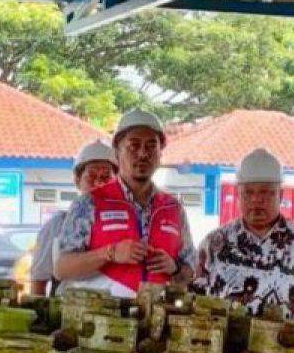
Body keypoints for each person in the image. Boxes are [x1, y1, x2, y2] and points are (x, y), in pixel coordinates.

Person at [55, 109, 194, 298]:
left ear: (160, 154)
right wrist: (109, 253)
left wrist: (175, 268)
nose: (143, 153)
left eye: (151, 146)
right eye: (133, 145)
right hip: (103, 321)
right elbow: (62, 269)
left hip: (158, 321)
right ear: (117, 152)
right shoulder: (89, 203)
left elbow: (191, 272)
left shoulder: (173, 209)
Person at [193, 148, 294, 328]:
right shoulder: (214, 243)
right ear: (238, 195)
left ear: (281, 195)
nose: (256, 200)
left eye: (265, 192)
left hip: (284, 351)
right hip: (222, 350)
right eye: (249, 192)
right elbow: (194, 299)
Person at [30, 139, 118, 296]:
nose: (98, 183)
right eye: (91, 177)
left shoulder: (128, 223)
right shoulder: (57, 225)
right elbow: (39, 281)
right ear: (77, 181)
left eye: (106, 177)